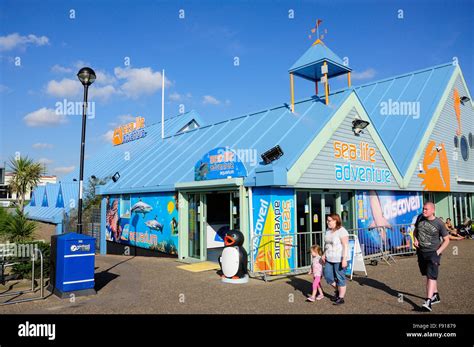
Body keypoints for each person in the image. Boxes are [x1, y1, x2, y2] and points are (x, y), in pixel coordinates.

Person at [414, 202, 450, 312]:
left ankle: (428, 301)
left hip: (433, 254)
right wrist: (415, 239)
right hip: (421, 253)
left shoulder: (439, 223)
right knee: (428, 275)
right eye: (423, 209)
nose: (424, 211)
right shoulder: (420, 218)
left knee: (431, 277)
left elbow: (447, 240)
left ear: (433, 210)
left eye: (426, 209)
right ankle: (435, 295)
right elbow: (416, 231)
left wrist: (438, 252)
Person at [322, 213, 349, 305]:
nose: (327, 222)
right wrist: (324, 254)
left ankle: (341, 297)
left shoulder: (342, 231)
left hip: (339, 258)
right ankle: (338, 290)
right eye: (327, 220)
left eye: (329, 220)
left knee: (340, 278)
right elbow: (327, 245)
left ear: (335, 221)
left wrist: (344, 259)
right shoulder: (328, 230)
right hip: (329, 257)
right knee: (328, 276)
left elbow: (345, 246)